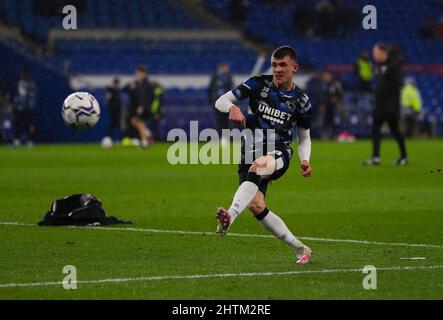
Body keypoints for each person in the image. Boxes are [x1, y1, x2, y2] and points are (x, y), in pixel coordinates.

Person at [214, 45, 313, 265]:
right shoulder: (258, 83)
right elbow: (220, 101)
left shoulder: (301, 100)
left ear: (294, 67)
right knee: (256, 204)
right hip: (249, 152)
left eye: (283, 65)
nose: (277, 69)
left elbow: (304, 136)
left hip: (279, 152)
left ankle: (229, 215)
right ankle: (300, 247)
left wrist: (305, 160)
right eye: (275, 64)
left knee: (259, 167)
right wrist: (231, 108)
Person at [363, 43, 408, 166]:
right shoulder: (379, 67)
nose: (374, 55)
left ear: (383, 53)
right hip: (380, 106)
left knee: (395, 131)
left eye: (376, 52)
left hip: (390, 107)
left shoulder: (393, 66)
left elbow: (396, 86)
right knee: (375, 129)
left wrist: (391, 105)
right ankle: (376, 157)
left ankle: (404, 156)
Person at [126, 65, 154, 148]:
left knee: (139, 123)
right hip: (146, 106)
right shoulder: (144, 83)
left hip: (144, 107)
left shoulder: (145, 84)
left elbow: (146, 97)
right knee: (135, 121)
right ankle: (148, 134)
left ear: (142, 73)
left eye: (138, 73)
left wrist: (142, 106)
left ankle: (144, 141)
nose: (137, 75)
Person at [208, 61, 234, 146]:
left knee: (226, 121)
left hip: (226, 103)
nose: (227, 69)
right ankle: (221, 138)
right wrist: (210, 101)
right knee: (220, 121)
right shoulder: (215, 77)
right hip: (217, 102)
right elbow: (210, 89)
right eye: (225, 67)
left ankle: (225, 139)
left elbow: (232, 90)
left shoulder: (229, 77)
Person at [13, 69, 36, 147]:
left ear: (26, 75)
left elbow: (32, 96)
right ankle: (17, 140)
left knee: (29, 124)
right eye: (21, 74)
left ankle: (30, 140)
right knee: (17, 123)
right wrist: (16, 105)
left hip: (28, 107)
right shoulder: (19, 82)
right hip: (20, 107)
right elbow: (18, 95)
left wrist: (30, 105)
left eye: (23, 74)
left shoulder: (30, 84)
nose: (22, 75)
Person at [320, 71, 343, 140]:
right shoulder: (323, 85)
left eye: (326, 76)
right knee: (325, 121)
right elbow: (322, 96)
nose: (325, 78)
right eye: (324, 76)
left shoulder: (335, 84)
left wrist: (337, 99)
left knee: (334, 121)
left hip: (334, 106)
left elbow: (340, 95)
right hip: (326, 106)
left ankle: (334, 135)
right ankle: (326, 135)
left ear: (330, 76)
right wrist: (322, 105)